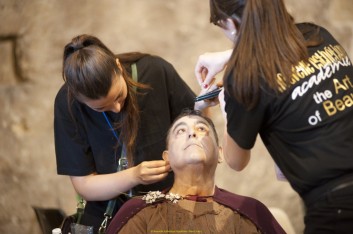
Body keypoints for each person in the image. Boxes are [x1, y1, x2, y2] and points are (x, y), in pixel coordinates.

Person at [194, 0, 353, 233]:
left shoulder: (244, 76)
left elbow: (236, 160)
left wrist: (228, 108)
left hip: (337, 205)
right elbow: (278, 47)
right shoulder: (318, 35)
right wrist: (232, 56)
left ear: (230, 23)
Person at [54, 34, 209, 233]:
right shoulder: (67, 104)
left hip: (173, 208)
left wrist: (205, 102)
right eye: (102, 108)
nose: (117, 108)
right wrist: (135, 176)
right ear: (79, 99)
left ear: (118, 67)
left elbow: (198, 125)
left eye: (119, 96)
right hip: (112, 218)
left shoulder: (155, 71)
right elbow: (84, 185)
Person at [106, 109, 286, 234]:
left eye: (201, 129)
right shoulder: (140, 212)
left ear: (220, 154)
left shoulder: (250, 212)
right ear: (167, 157)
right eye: (181, 131)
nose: (192, 134)